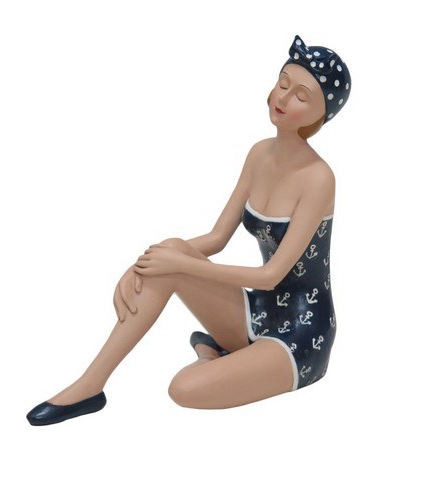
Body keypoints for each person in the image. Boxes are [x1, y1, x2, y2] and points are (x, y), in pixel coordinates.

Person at [26, 34, 351, 425]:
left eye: (301, 96)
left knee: (183, 388)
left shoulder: (319, 178)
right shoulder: (259, 153)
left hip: (300, 333)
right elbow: (216, 238)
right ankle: (90, 386)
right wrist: (148, 263)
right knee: (171, 247)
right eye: (283, 83)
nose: (283, 98)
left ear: (321, 115)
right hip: (257, 310)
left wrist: (178, 266)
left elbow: (270, 276)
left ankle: (216, 355)